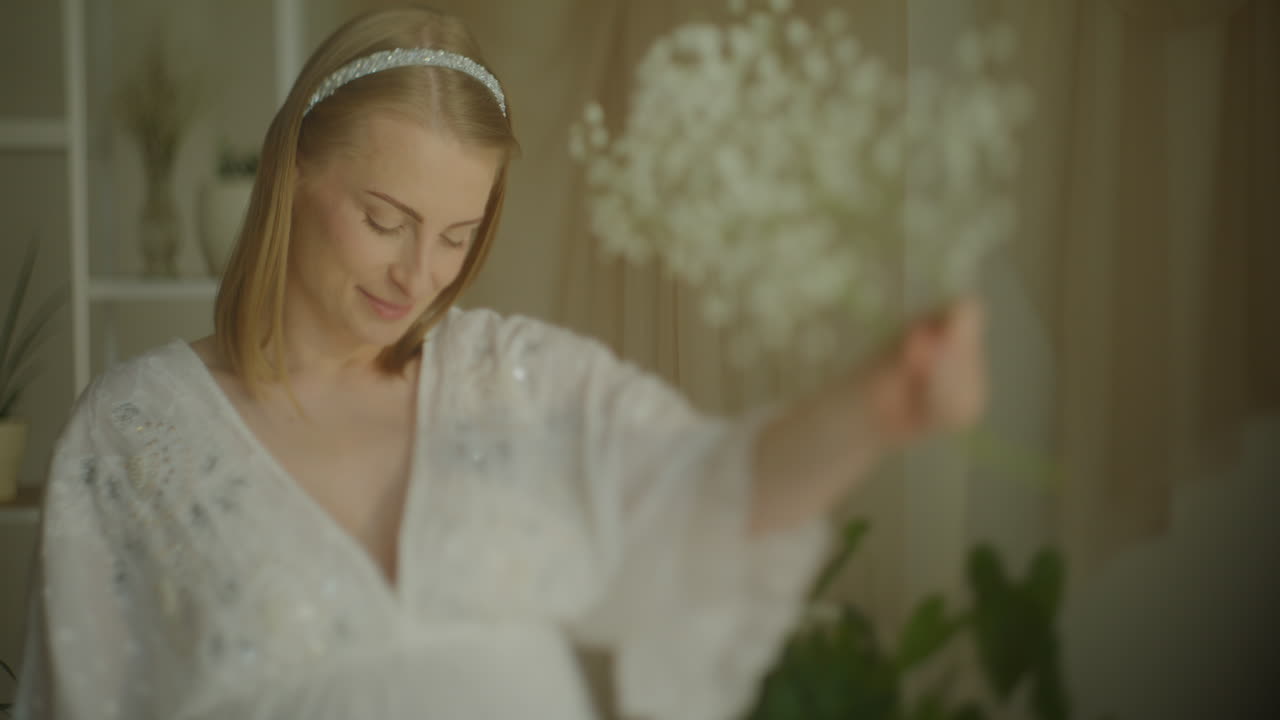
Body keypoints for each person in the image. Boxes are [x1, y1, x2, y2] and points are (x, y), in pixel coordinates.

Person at [14, 5, 985, 719]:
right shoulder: (131, 431)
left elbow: (711, 488)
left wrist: (876, 408)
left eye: (456, 235)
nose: (417, 274)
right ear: (292, 170)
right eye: (384, 219)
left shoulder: (515, 379)